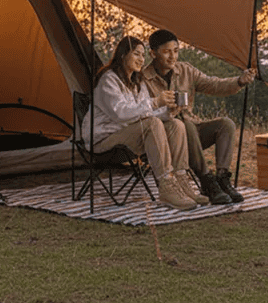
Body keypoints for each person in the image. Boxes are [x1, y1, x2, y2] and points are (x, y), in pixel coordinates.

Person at [81, 35, 205, 211]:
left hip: (127, 135)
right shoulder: (108, 80)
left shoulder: (137, 82)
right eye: (137, 54)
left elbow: (147, 112)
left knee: (176, 125)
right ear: (123, 55)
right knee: (152, 124)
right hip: (103, 141)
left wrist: (168, 112)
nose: (141, 59)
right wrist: (156, 102)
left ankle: (181, 180)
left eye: (143, 55)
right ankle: (166, 185)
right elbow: (121, 113)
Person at [142, 29, 257, 205]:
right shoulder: (143, 78)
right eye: (166, 52)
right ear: (153, 53)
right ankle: (205, 180)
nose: (172, 56)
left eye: (176, 50)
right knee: (184, 125)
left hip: (193, 131)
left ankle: (222, 179)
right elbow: (142, 112)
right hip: (167, 137)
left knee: (225, 124)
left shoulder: (186, 70)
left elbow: (214, 84)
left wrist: (239, 81)